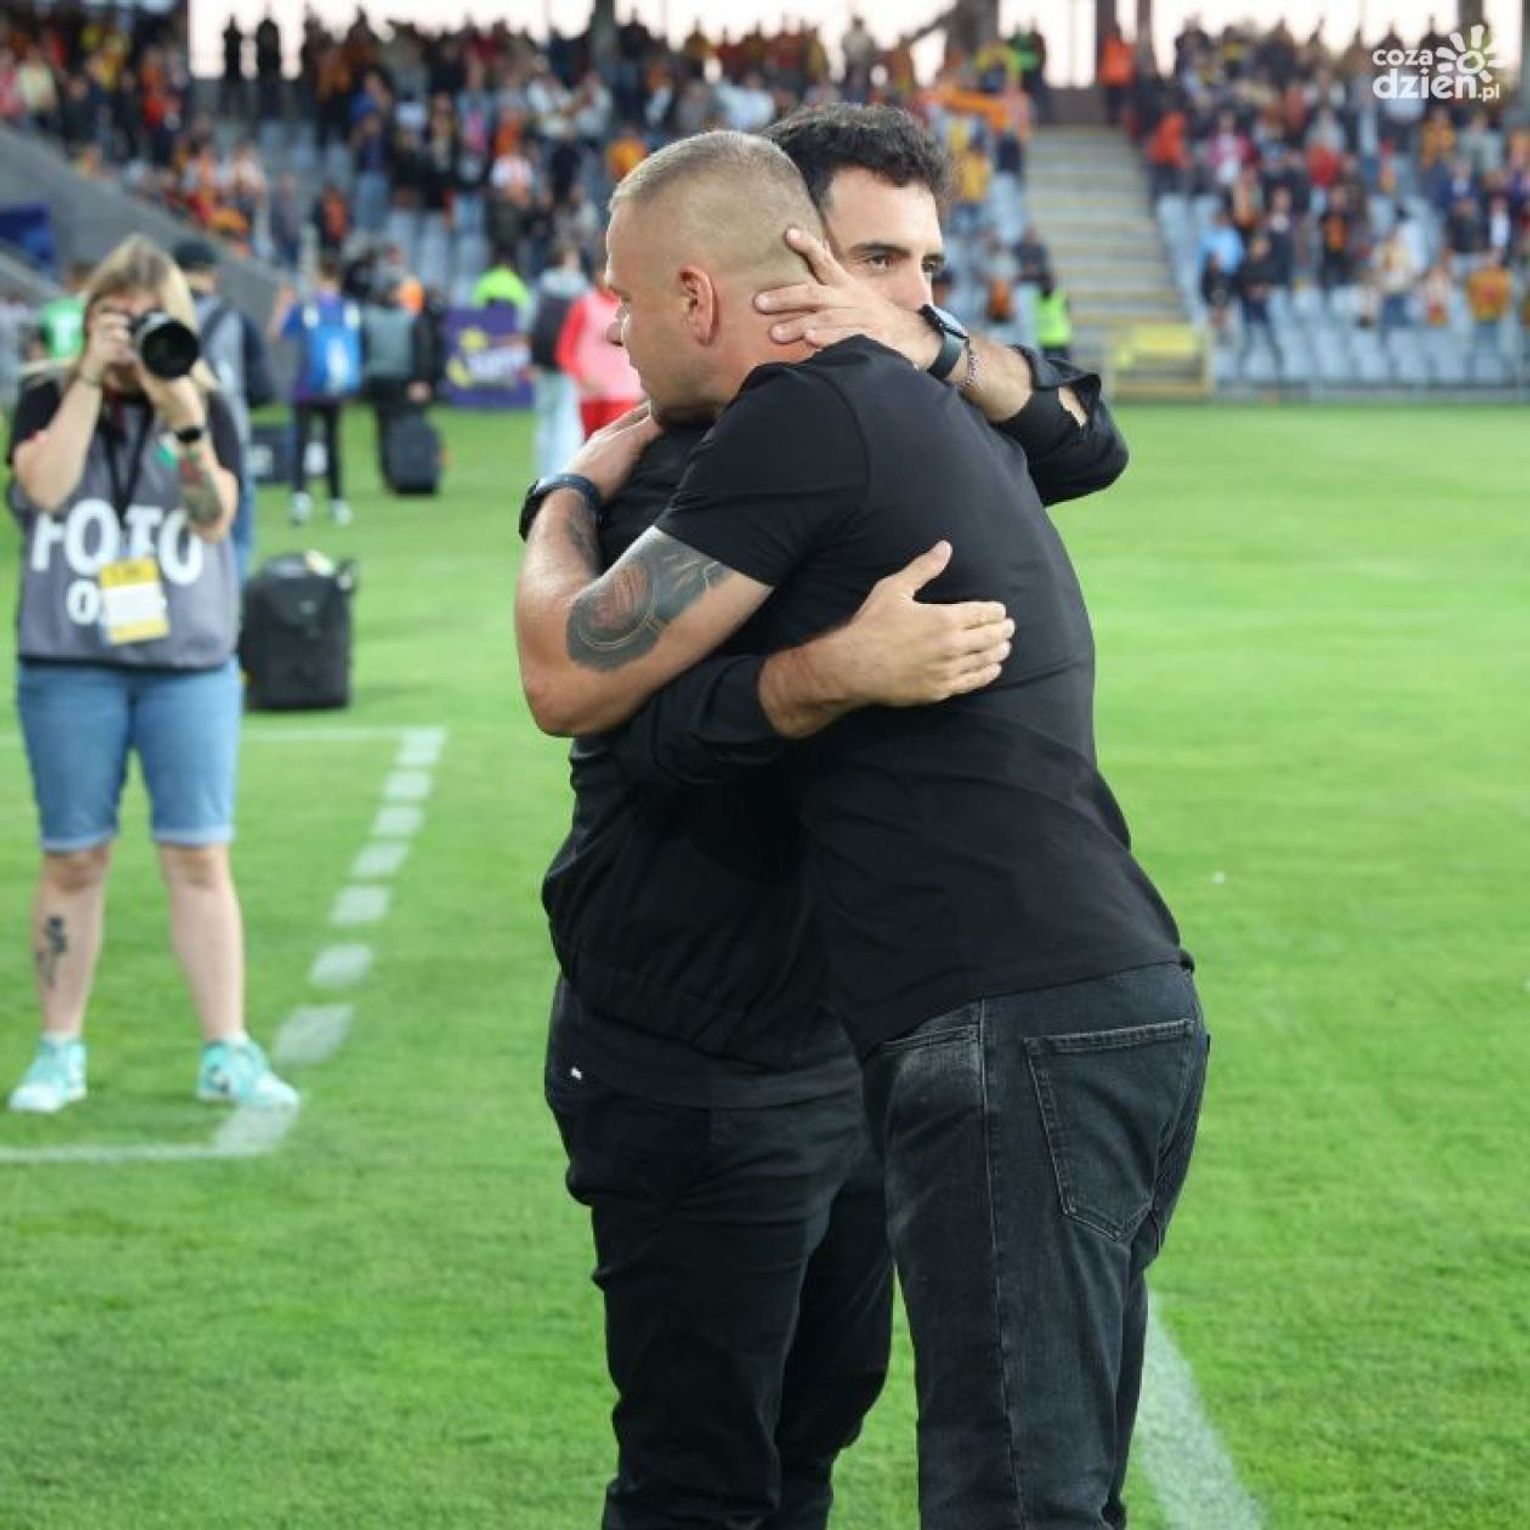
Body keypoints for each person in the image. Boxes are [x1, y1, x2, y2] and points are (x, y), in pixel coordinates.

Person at [517, 130, 1204, 1530]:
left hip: (970, 1026)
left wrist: (560, 500)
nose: (906, 299)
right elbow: (624, 725)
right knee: (805, 1476)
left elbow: (566, 676)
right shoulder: (805, 438)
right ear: (796, 257)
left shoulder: (848, 409)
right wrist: (822, 673)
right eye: (876, 261)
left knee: (993, 1493)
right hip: (738, 1031)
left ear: (701, 290)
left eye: (920, 269)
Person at [6, 235, 298, 1116]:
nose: (134, 340)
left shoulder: (207, 402)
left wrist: (183, 413)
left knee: (200, 854)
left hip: (186, 664)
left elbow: (213, 521)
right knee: (72, 857)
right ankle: (59, 1049)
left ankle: (227, 1049)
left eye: (149, 324)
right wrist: (88, 381)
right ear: (89, 317)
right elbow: (45, 490)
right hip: (70, 659)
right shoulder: (45, 393)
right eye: (116, 320)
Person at [175, 238, 274, 583]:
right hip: (231, 439)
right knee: (238, 535)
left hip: (175, 444)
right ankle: (231, 601)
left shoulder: (160, 322)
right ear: (212, 275)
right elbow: (263, 389)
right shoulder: (236, 320)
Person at [270, 253, 361, 526]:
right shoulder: (348, 308)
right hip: (336, 386)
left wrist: (282, 305)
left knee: (301, 443)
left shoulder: (307, 308)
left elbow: (276, 334)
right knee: (333, 443)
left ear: (318, 276)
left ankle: (301, 498)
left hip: (307, 387)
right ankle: (337, 501)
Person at [553, 260, 643, 438]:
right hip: (591, 392)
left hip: (624, 390)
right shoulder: (584, 306)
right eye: (605, 273)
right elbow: (564, 350)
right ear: (596, 275)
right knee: (592, 443)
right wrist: (582, 376)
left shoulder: (634, 306)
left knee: (614, 441)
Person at [360, 272, 432, 480]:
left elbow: (421, 352)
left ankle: (399, 471)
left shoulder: (371, 317)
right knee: (389, 429)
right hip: (387, 380)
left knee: (395, 429)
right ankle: (393, 472)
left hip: (395, 380)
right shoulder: (407, 318)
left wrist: (420, 379)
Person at [526, 243, 588, 479]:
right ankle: (563, 471)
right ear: (568, 259)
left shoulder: (541, 286)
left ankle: (544, 470)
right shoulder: (581, 287)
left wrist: (533, 358)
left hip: (543, 360)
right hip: (570, 359)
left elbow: (528, 322)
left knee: (546, 418)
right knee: (567, 417)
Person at [471, 246, 531, 310]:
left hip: (488, 316)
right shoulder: (518, 283)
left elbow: (475, 306)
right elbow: (525, 308)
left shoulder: (485, 280)